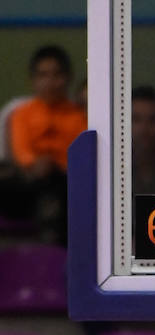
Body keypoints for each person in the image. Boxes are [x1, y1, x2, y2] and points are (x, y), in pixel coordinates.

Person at [0, 44, 86, 243]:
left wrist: (53, 164)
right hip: (27, 182)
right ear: (33, 80)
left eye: (57, 75)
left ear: (68, 78)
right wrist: (34, 164)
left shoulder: (79, 117)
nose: (50, 82)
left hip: (63, 184)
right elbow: (21, 153)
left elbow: (78, 159)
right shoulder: (22, 114)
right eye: (43, 75)